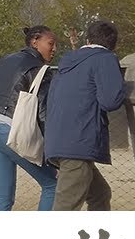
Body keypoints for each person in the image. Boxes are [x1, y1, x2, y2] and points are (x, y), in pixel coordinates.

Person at [0, 26, 59, 211]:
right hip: (12, 132)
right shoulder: (41, 70)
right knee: (53, 185)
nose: (54, 49)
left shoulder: (7, 59)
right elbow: (43, 113)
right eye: (50, 43)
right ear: (34, 41)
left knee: (2, 200)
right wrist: (52, 153)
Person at [43, 19, 126, 211]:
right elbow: (110, 100)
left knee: (100, 194)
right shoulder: (105, 59)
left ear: (87, 40)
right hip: (78, 143)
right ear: (113, 44)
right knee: (65, 208)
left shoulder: (68, 62)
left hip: (57, 140)